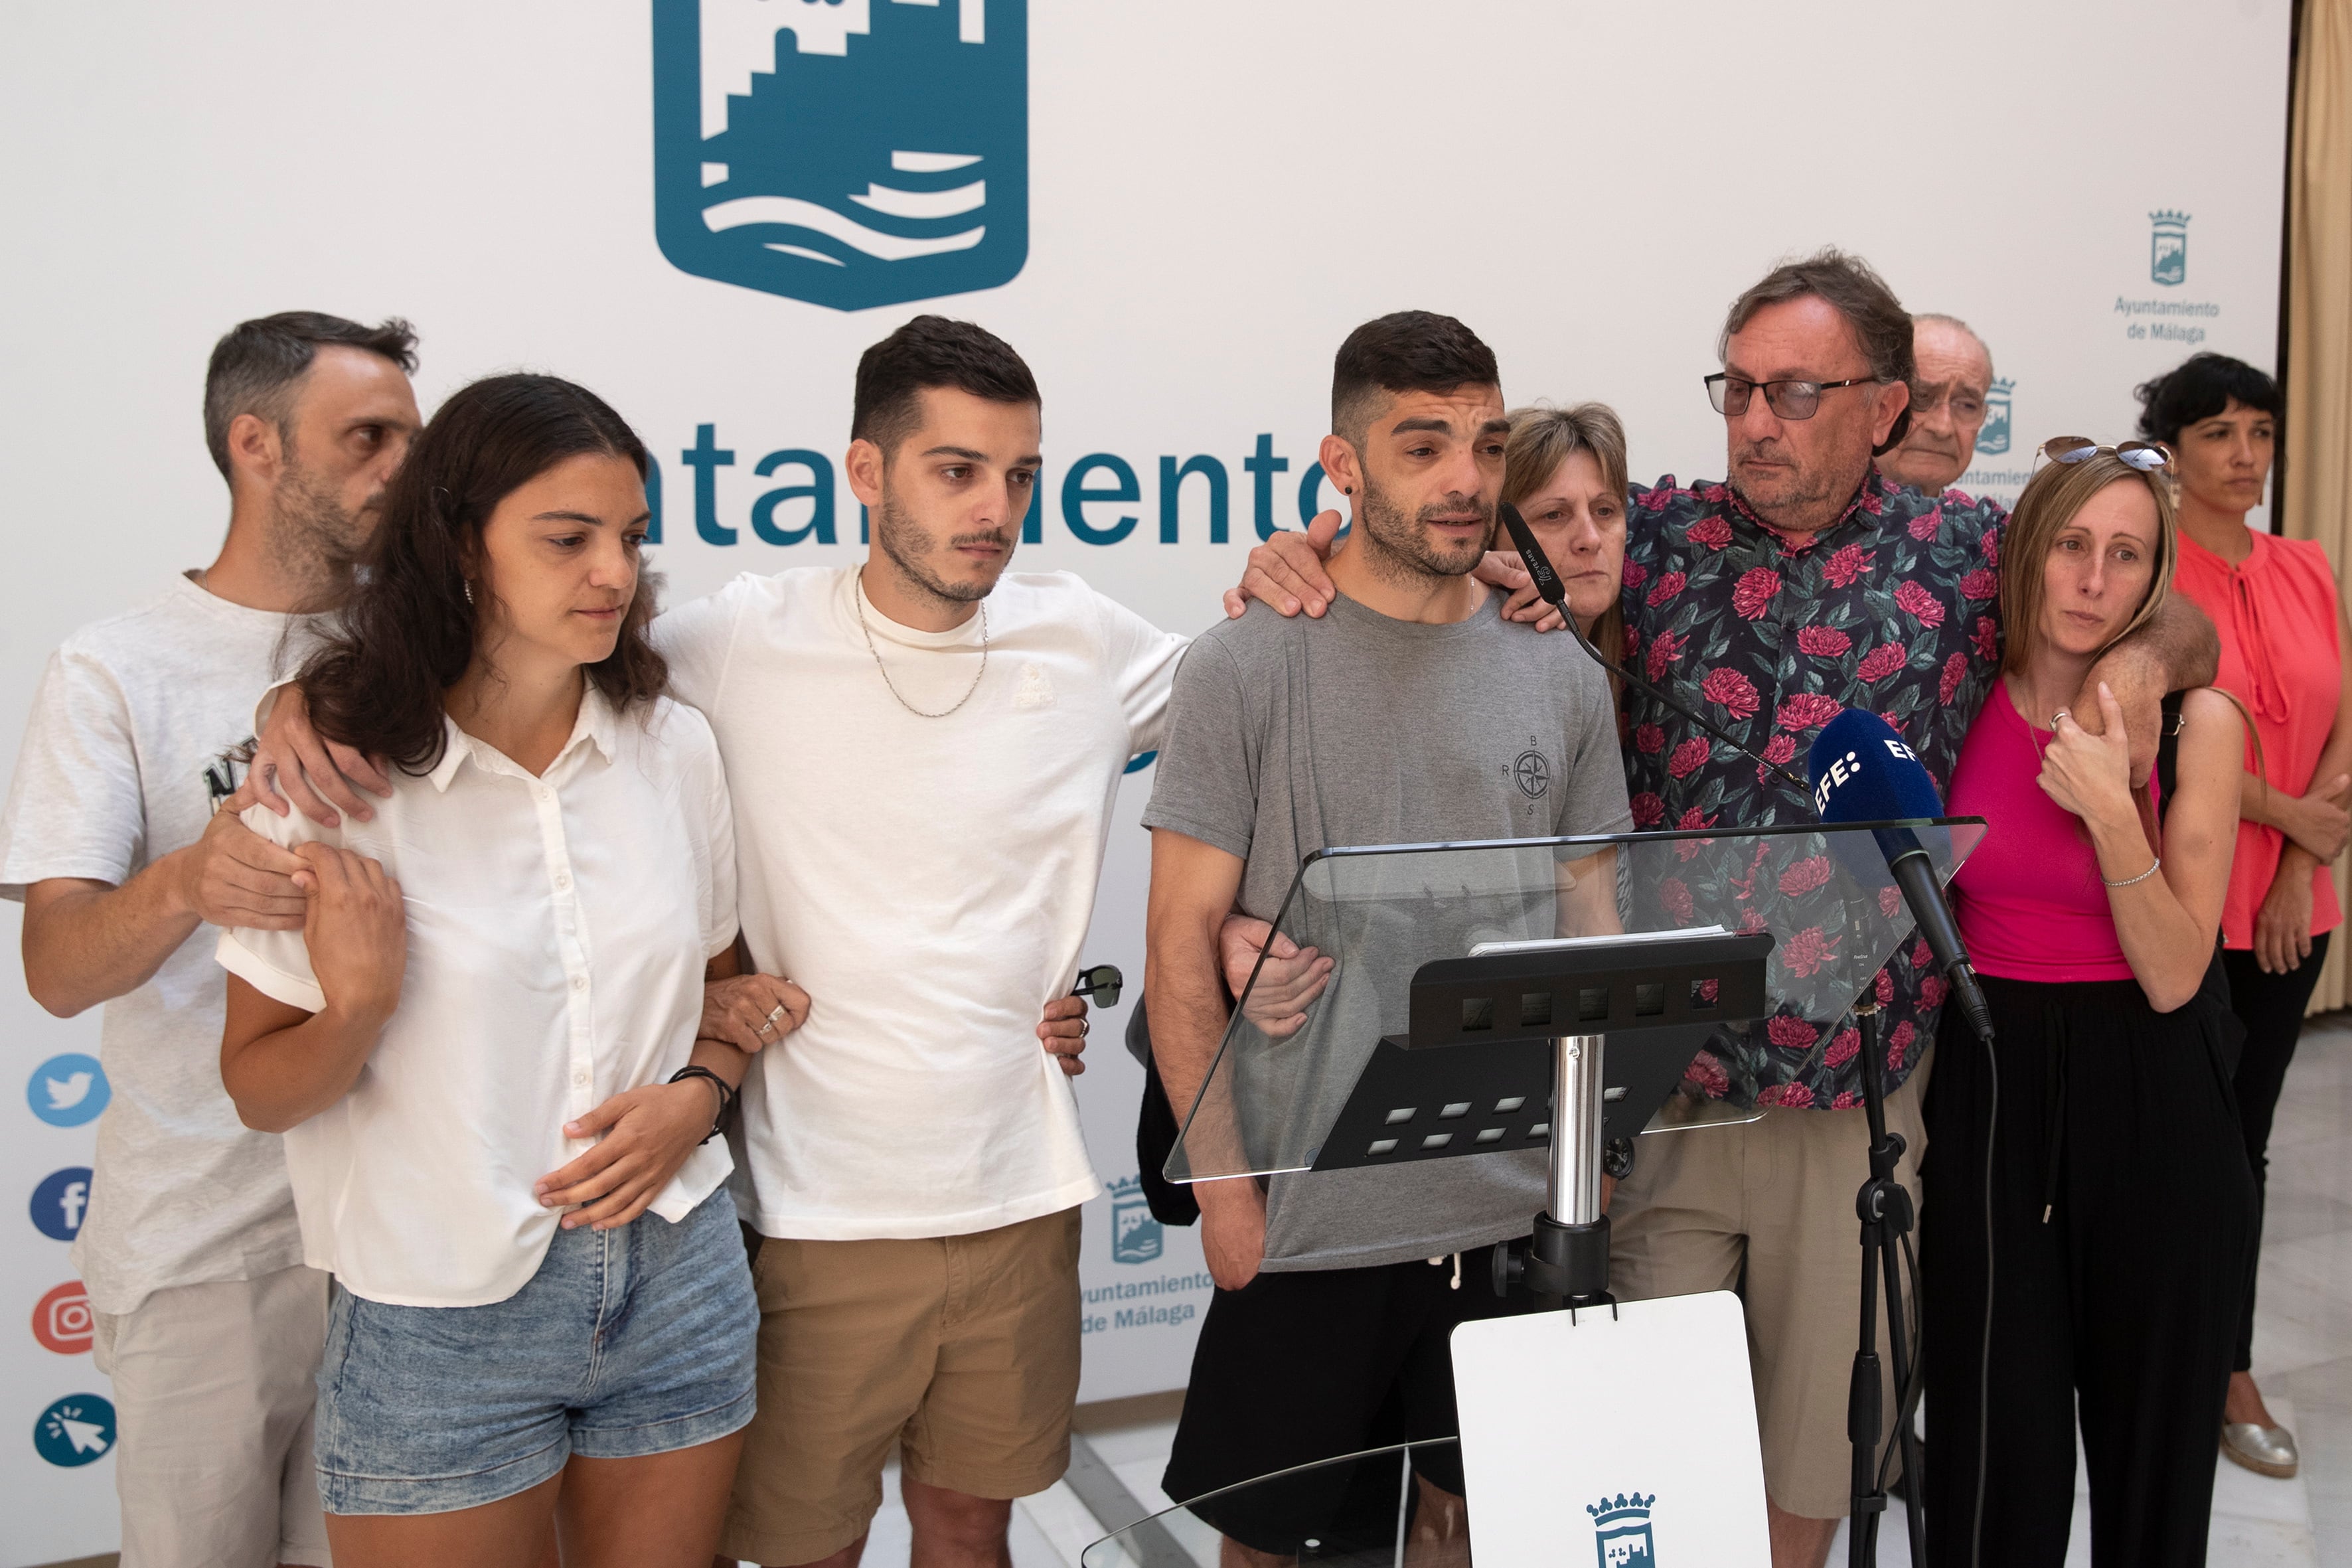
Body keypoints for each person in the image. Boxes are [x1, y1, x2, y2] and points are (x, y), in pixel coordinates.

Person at [1235, 252, 2220, 1568]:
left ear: (1881, 405)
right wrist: (1289, 560)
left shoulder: (1972, 555)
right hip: (1662, 1090)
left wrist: (2151, 662)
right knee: (1642, 1473)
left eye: (1792, 392)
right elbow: (1439, 553)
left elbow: (2170, 609)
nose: (1754, 419)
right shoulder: (1653, 539)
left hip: (1856, 1105)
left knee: (1807, 1465)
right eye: (1738, 387)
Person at [216, 372, 771, 1566]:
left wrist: (696, 1099)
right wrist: (358, 1003)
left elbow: (723, 998)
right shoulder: (330, 785)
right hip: (437, 1312)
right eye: (566, 538)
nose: (613, 573)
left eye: (628, 538)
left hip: (677, 1277)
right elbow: (258, 1087)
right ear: (461, 545)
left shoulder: (672, 747)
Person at [1144, 311, 1632, 1564]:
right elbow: (1178, 941)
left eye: (1483, 441)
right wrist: (1224, 1194)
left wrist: (1601, 1148)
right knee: (1273, 1541)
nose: (1465, 476)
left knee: (1476, 1528)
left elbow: (1594, 927)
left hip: (1519, 1203)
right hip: (1308, 1213)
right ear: (1341, 465)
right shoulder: (1242, 667)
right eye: (1421, 446)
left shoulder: (1560, 674)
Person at [0, 311, 422, 1568]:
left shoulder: (428, 649)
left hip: (407, 1232)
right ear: (257, 446)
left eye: (411, 434)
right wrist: (193, 876)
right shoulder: (112, 668)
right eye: (366, 437)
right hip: (203, 1243)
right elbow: (57, 970)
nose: (401, 465)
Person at [1924, 439, 2252, 1566]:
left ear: (2153, 578)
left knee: (2149, 1469)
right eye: (2069, 546)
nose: (2090, 580)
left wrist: (2115, 811)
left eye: (2124, 555)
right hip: (1991, 1080)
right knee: (1988, 1456)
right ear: (2024, 554)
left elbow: (2173, 970)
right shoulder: (1954, 692)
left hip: (2156, 1090)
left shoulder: (2197, 727)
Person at [2136, 352, 2349, 1479]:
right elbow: (2173, 739)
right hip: (2181, 905)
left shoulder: (2304, 565)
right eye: (2217, 432)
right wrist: (2293, 828)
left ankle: (2226, 1367)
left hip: (2286, 909)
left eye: (2259, 432)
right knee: (2179, 1149)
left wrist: (2293, 861)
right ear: (2167, 450)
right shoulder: (2149, 573)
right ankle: (2149, 1356)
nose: (2245, 455)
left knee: (2244, 1150)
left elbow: (2340, 712)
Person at [1876, 313, 1996, 497]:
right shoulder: (1819, 519)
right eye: (1921, 397)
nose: (1942, 428)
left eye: (1967, 405)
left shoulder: (1987, 524)